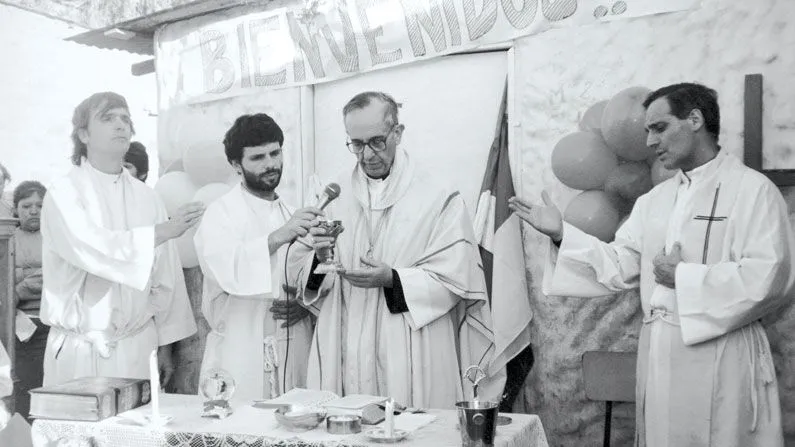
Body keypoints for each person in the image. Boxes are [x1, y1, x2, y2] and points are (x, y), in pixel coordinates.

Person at [509, 83, 795, 446]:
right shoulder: (656, 200)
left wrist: (684, 278)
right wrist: (562, 234)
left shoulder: (753, 191)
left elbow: (770, 276)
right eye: (646, 131)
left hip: (723, 354)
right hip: (660, 351)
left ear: (694, 120)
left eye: (658, 127)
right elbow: (618, 263)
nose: (648, 141)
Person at [288, 91, 504, 408]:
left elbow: (457, 277)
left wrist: (394, 279)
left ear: (398, 133)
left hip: (412, 342)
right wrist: (321, 261)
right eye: (357, 144)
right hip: (345, 342)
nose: (367, 154)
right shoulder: (333, 195)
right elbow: (304, 275)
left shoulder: (438, 196)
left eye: (377, 141)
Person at [40, 92, 202, 386]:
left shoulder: (147, 197)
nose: (121, 125)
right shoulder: (63, 193)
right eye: (108, 118)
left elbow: (165, 275)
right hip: (80, 349)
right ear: (84, 134)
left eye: (126, 118)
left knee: (138, 429)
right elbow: (93, 250)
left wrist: (165, 345)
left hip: (138, 345)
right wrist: (164, 231)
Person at [195, 114, 320, 399]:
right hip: (240, 349)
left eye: (275, 153)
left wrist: (305, 303)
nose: (270, 164)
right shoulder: (220, 213)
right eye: (258, 157)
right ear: (236, 165)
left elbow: (304, 278)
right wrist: (277, 237)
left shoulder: (290, 211)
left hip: (292, 343)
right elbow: (227, 272)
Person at [11, 181, 48, 419]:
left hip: (52, 326)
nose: (33, 211)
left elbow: (56, 277)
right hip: (18, 329)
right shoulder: (8, 240)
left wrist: (20, 285)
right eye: (26, 206)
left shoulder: (57, 239)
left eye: (40, 205)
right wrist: (20, 288)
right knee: (23, 391)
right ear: (16, 209)